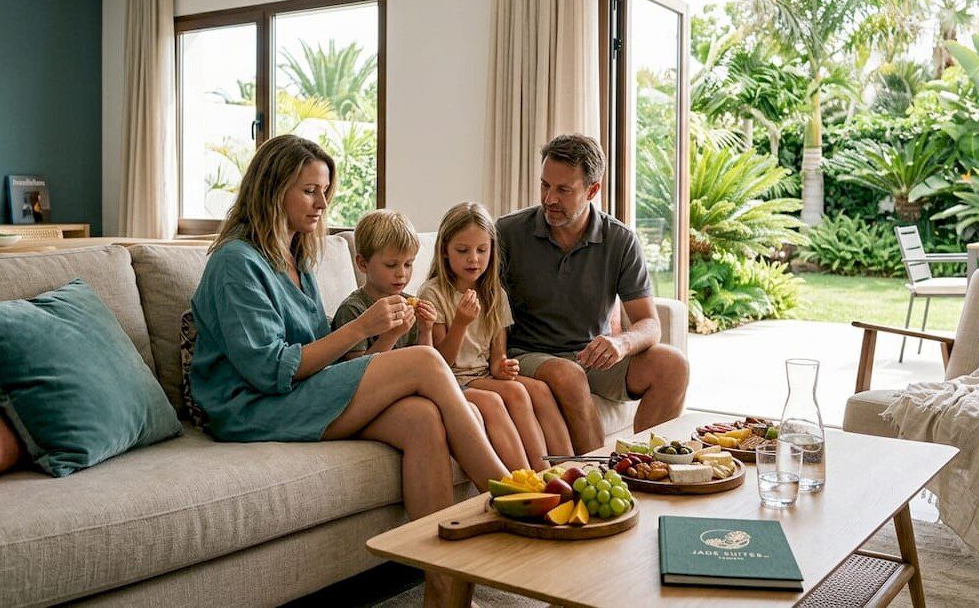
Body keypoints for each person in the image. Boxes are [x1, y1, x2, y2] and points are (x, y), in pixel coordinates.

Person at [188, 135, 506, 607]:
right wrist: (363, 325)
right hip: (251, 406)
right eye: (310, 191)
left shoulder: (296, 257)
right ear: (273, 189)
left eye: (325, 191)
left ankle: (445, 594)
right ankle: (510, 493)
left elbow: (323, 353)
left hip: (297, 392)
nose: (322, 203)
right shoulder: (236, 262)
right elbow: (269, 368)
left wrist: (376, 340)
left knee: (422, 420)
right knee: (424, 360)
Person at [498, 134, 690, 454]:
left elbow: (649, 323)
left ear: (592, 190)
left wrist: (620, 342)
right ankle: (599, 478)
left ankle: (643, 468)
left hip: (591, 358)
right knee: (569, 374)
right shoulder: (507, 233)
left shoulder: (620, 240)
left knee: (673, 365)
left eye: (563, 190)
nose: (549, 199)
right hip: (527, 355)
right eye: (545, 185)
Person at [419, 202, 574, 470]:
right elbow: (439, 364)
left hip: (482, 376)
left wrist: (503, 367)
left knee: (537, 389)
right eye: (463, 250)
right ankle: (533, 478)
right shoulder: (433, 294)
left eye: (482, 250)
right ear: (445, 251)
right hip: (452, 380)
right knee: (511, 395)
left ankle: (568, 470)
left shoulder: (495, 293)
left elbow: (496, 358)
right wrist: (460, 323)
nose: (474, 259)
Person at [332, 209, 439, 358]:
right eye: (391, 265)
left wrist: (426, 329)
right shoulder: (353, 310)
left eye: (408, 264)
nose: (402, 273)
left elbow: (426, 360)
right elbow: (357, 372)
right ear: (363, 264)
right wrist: (392, 335)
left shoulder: (410, 306)